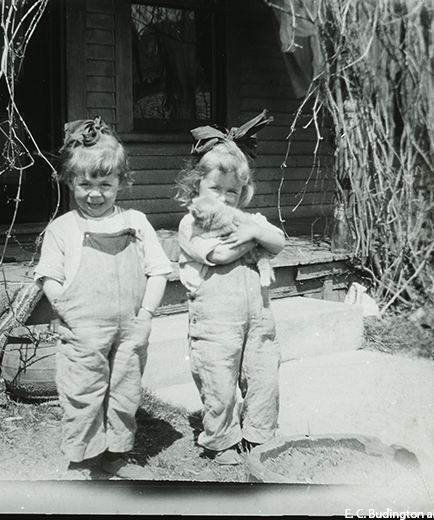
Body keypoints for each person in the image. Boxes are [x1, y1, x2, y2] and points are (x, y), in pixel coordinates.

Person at [34, 117, 173, 480]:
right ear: (70, 182)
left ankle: (116, 455)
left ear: (121, 183)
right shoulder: (63, 228)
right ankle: (81, 459)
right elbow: (49, 275)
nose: (94, 194)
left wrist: (146, 314)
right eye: (85, 184)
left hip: (131, 327)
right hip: (83, 327)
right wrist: (64, 307)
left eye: (105, 185)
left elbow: (158, 270)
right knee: (83, 391)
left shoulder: (136, 221)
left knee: (124, 392)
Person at [174, 118, 285, 466]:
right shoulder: (192, 222)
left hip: (258, 317)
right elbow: (219, 255)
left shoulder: (248, 220)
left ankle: (259, 435)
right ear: (197, 188)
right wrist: (253, 237)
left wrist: (255, 229)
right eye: (215, 190)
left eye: (232, 192)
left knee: (263, 373)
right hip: (216, 320)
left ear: (243, 193)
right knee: (218, 377)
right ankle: (220, 439)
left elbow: (278, 242)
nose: (224, 198)